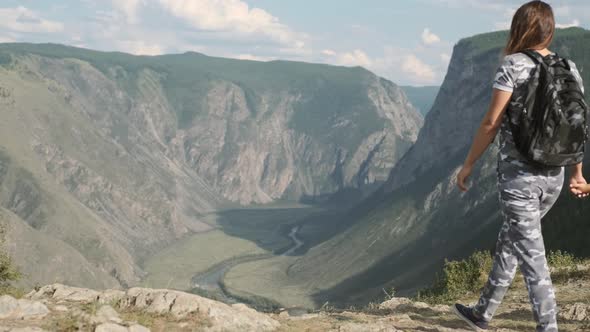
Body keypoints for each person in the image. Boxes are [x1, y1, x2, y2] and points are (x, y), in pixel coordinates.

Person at [452, 1, 587, 331]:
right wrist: (578, 173)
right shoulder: (568, 68)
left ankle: (548, 327)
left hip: (519, 180)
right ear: (549, 30)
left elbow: (490, 123)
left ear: (518, 28)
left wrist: (468, 164)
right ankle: (482, 313)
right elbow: (576, 123)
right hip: (554, 177)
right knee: (512, 242)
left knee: (533, 259)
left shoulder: (512, 66)